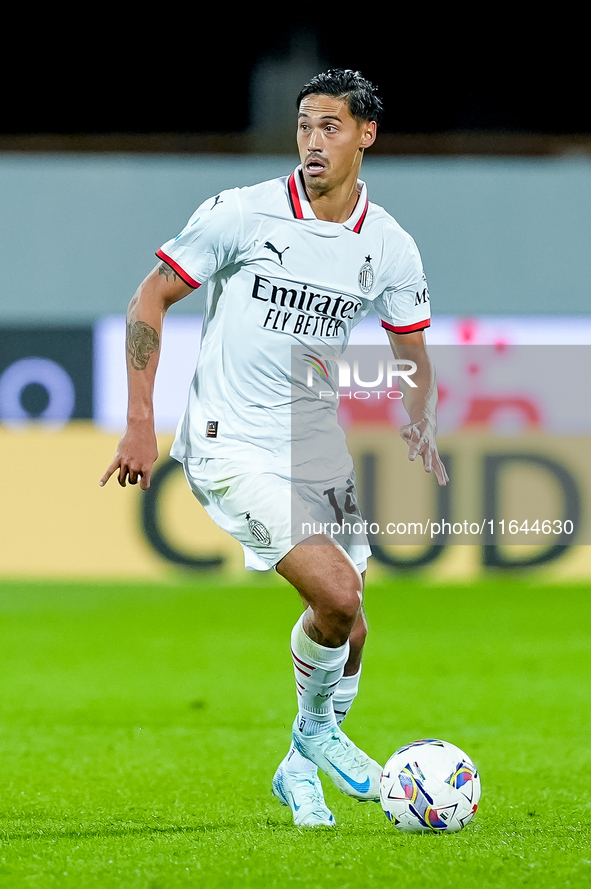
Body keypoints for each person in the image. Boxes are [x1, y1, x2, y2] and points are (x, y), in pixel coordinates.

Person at [101, 69, 448, 827]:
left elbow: (411, 351)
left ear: (366, 134)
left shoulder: (387, 245)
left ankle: (297, 767)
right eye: (303, 126)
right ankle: (318, 734)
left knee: (350, 626)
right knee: (336, 593)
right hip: (232, 442)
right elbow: (150, 296)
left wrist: (418, 412)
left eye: (330, 127)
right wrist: (138, 420)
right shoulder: (242, 212)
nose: (313, 142)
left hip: (313, 443)